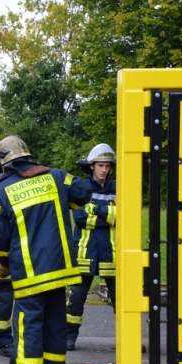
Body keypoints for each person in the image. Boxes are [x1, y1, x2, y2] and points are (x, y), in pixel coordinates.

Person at [0, 136, 89, 364]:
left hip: (29, 271)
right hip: (61, 268)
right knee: (55, 320)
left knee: (27, 322)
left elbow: (0, 238)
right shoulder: (57, 177)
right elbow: (84, 192)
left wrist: (4, 264)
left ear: (4, 164)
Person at [66, 143, 117, 350]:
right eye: (100, 166)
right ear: (92, 167)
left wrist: (94, 210)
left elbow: (120, 217)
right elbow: (79, 217)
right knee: (76, 298)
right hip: (85, 252)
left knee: (120, 300)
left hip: (111, 254)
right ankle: (69, 337)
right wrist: (108, 215)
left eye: (107, 166)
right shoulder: (81, 188)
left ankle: (127, 339)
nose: (104, 170)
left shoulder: (118, 188)